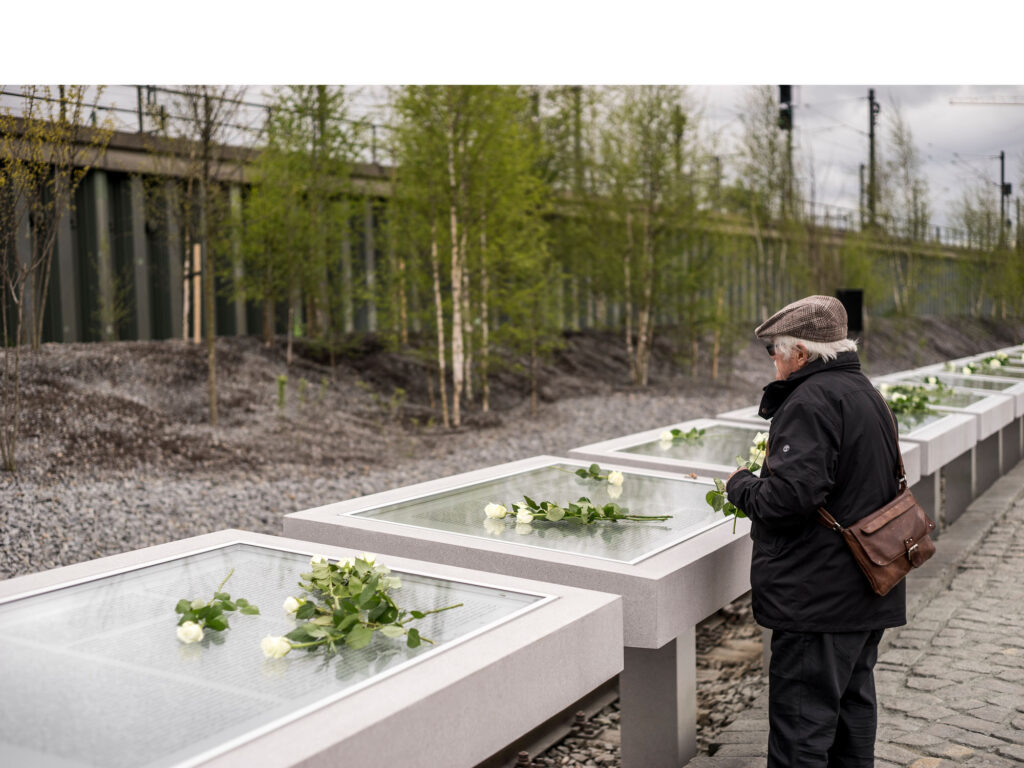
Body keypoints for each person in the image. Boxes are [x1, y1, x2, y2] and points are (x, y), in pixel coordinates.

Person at [726, 295, 905, 767]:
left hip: (817, 597)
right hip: (866, 586)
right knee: (851, 713)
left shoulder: (810, 401)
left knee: (801, 730)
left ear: (800, 354)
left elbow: (787, 500)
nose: (773, 361)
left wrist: (740, 484)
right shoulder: (865, 393)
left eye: (775, 352)